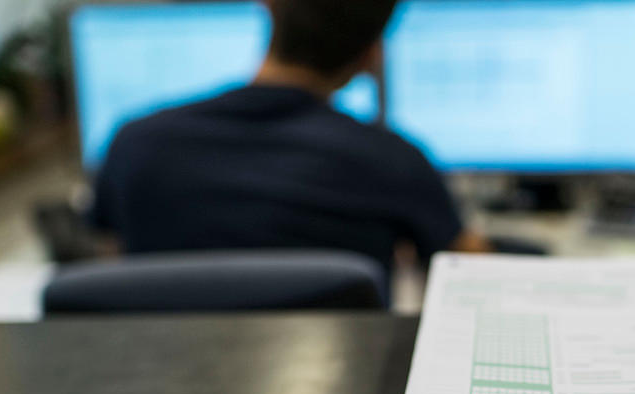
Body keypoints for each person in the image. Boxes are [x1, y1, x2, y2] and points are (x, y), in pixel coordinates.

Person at [88, 0, 492, 274]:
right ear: (370, 58)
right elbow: (474, 277)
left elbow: (113, 273)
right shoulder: (394, 161)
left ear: (269, 9)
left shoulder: (134, 145)